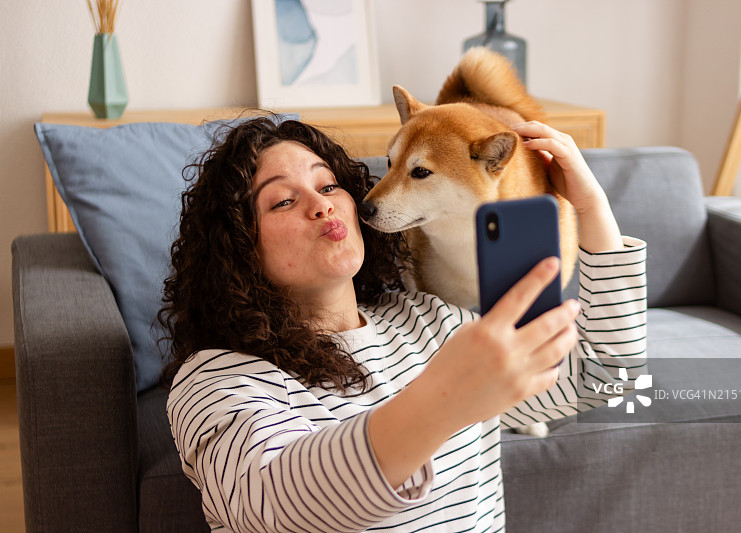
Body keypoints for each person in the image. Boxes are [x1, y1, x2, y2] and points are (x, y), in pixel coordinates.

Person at [161, 115, 647, 533]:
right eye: (282, 201)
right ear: (237, 247)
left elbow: (603, 377)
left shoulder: (430, 323)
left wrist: (592, 210)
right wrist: (444, 401)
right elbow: (273, 507)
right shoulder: (219, 379)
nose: (322, 204)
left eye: (328, 185)